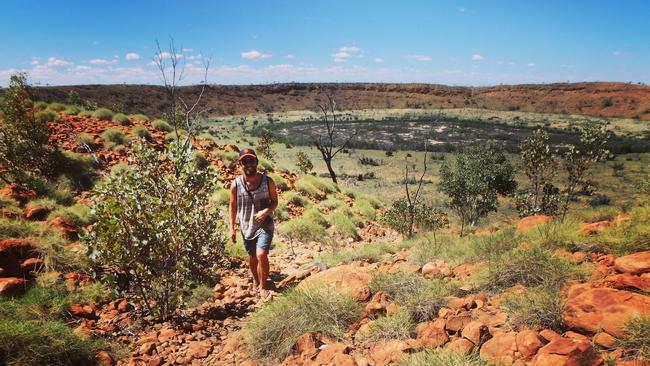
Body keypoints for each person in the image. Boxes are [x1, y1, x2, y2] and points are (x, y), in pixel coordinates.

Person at [229, 148, 278, 300]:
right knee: (252, 256)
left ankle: (263, 287)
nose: (249, 164)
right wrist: (232, 227)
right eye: (245, 161)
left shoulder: (267, 181)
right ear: (240, 164)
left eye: (252, 160)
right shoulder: (235, 185)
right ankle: (256, 280)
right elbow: (233, 206)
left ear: (257, 162)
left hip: (265, 225)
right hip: (246, 226)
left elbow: (275, 202)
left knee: (261, 254)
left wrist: (266, 211)